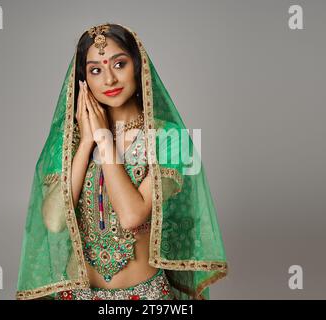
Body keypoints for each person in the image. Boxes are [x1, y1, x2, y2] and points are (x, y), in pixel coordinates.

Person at [16, 23, 228, 300]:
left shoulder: (169, 137)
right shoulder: (70, 141)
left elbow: (132, 216)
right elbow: (55, 220)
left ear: (138, 67)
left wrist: (104, 140)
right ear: (83, 80)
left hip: (146, 297)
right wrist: (85, 145)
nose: (109, 80)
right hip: (77, 295)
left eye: (119, 64)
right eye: (95, 70)